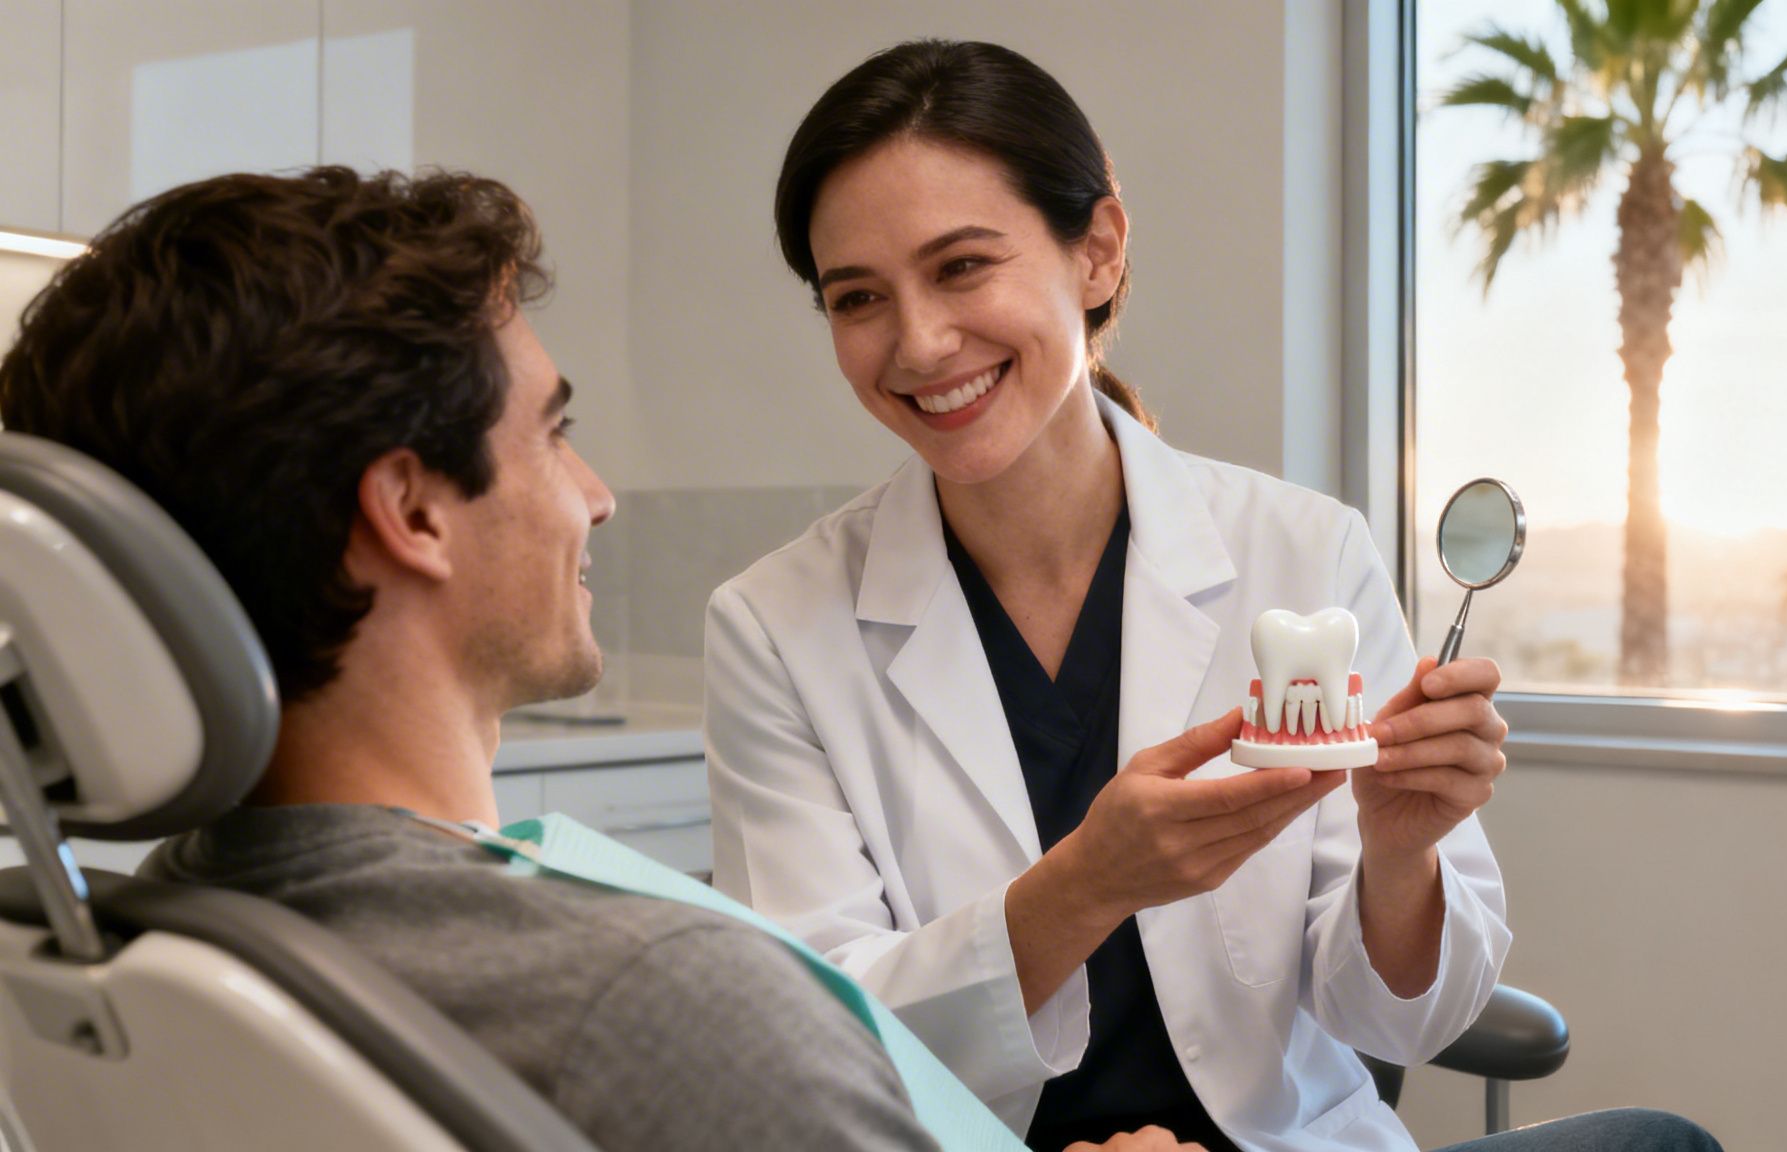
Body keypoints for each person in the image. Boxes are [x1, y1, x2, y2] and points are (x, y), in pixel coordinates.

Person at [0, 167, 1191, 1152]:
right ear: (412, 512)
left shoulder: (152, 937)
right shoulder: (660, 1008)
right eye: (554, 433)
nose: (596, 496)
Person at [707, 39, 1720, 1152]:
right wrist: (1083, 887)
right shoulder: (774, 628)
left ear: (1095, 251)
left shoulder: (1304, 550)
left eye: (960, 267)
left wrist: (1398, 854)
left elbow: (1404, 1015)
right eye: (859, 298)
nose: (917, 342)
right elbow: (810, 1047)